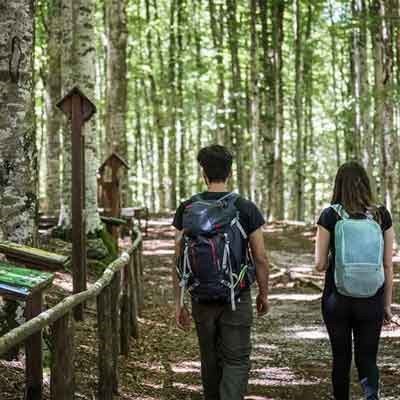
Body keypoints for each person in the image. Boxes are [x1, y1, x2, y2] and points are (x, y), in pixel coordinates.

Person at [172, 145, 270, 400]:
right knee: (236, 360)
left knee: (209, 359)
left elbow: (179, 259)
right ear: (229, 173)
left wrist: (178, 302)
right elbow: (260, 257)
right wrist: (264, 294)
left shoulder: (187, 208)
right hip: (236, 296)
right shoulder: (245, 208)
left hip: (200, 296)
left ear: (203, 173)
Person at [315, 162, 395, 400]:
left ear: (338, 184)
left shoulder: (330, 214)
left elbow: (319, 264)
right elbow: (388, 264)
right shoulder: (381, 215)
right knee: (367, 358)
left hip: (336, 299)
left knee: (341, 358)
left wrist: (337, 258)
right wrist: (387, 305)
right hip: (372, 298)